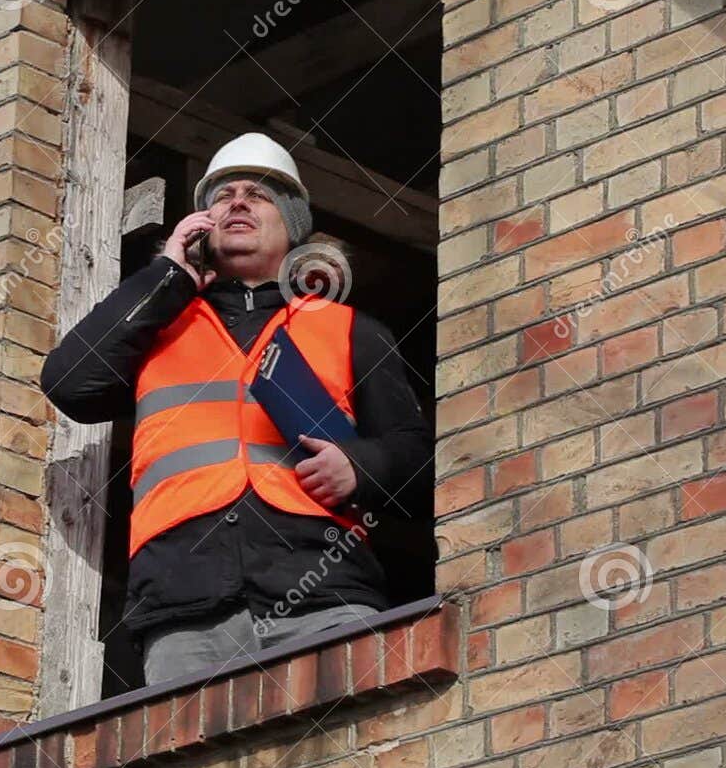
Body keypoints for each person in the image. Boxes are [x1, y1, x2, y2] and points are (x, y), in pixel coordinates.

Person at [40, 132, 434, 685]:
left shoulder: (350, 330)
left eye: (260, 193)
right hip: (185, 607)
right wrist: (166, 275)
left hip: (323, 591)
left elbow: (419, 460)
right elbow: (69, 384)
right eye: (223, 195)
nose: (239, 202)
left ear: (292, 225)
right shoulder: (155, 326)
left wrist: (360, 468)